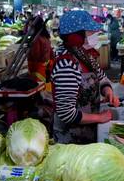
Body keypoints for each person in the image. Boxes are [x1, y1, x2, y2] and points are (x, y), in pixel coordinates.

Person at [51, 10, 119, 144]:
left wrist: (107, 91)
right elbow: (66, 113)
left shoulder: (84, 55)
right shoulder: (67, 64)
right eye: (90, 32)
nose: (95, 35)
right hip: (71, 139)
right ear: (76, 36)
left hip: (88, 131)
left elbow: (102, 77)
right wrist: (99, 118)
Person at [27, 17, 54, 82]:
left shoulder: (37, 39)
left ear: (36, 27)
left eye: (31, 26)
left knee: (39, 87)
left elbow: (36, 55)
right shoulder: (45, 36)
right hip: (45, 67)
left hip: (38, 69)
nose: (29, 27)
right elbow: (51, 52)